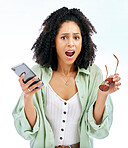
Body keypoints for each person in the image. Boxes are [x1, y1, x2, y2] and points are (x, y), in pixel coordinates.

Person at [12, 7, 121, 148]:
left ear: (83, 41)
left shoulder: (94, 73)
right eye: (64, 37)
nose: (71, 43)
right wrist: (27, 97)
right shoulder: (38, 73)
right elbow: (29, 132)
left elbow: (96, 130)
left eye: (76, 37)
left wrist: (102, 95)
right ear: (53, 41)